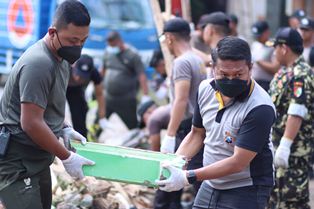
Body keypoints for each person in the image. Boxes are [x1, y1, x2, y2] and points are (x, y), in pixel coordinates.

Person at [156, 36, 276, 209]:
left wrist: (186, 177)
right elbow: (197, 134)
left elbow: (238, 162)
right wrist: (174, 164)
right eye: (224, 74)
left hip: (246, 188)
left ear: (250, 68)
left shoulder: (259, 107)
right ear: (213, 68)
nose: (231, 80)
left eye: (238, 74)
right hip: (211, 183)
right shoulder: (205, 89)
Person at [0, 1, 95, 209]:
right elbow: (31, 123)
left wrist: (63, 127)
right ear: (53, 32)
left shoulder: (61, 59)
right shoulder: (39, 63)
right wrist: (67, 157)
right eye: (72, 40)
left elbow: (47, 105)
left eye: (83, 41)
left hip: (37, 156)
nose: (78, 47)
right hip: (18, 160)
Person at [158, 17, 207, 209]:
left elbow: (180, 99)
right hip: (197, 125)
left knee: (173, 174)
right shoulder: (197, 60)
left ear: (169, 38)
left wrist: (170, 134)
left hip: (187, 128)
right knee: (191, 176)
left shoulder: (182, 63)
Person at [267, 27, 314, 209]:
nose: (274, 52)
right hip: (278, 146)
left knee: (292, 198)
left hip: (293, 151)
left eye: (276, 47)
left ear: (284, 48)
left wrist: (285, 145)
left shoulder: (300, 74)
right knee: (276, 196)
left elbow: (297, 110)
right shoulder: (285, 71)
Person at [102, 31, 150, 130]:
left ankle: (138, 143)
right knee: (99, 123)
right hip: (108, 97)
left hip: (126, 99)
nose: (112, 48)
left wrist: (145, 95)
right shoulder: (108, 52)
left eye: (113, 45)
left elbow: (141, 75)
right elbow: (103, 69)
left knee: (133, 127)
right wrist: (94, 83)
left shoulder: (133, 55)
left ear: (120, 41)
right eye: (110, 45)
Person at [67, 54, 110, 139]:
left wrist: (102, 117)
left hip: (75, 91)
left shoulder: (94, 73)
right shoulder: (65, 66)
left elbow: (100, 94)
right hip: (59, 87)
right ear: (74, 65)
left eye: (83, 76)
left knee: (80, 115)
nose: (79, 79)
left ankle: (81, 140)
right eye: (78, 74)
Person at [251, 20, 280, 91]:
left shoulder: (273, 46)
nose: (258, 38)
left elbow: (275, 68)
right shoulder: (255, 44)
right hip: (253, 82)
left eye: (260, 36)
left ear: (267, 32)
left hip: (266, 84)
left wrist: (258, 61)